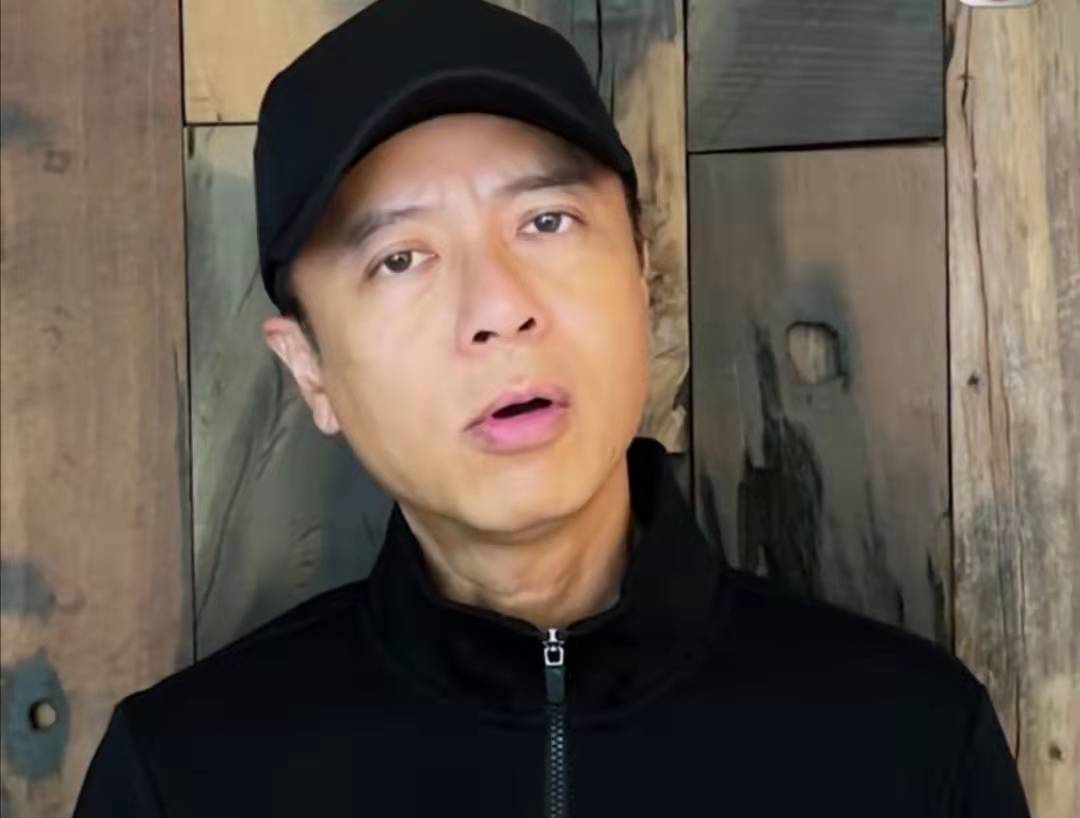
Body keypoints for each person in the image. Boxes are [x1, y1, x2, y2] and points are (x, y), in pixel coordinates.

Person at [74, 0, 1031, 815]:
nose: (499, 307)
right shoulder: (183, 777)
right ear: (310, 370)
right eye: (400, 258)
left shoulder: (914, 745)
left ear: (642, 275)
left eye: (546, 220)